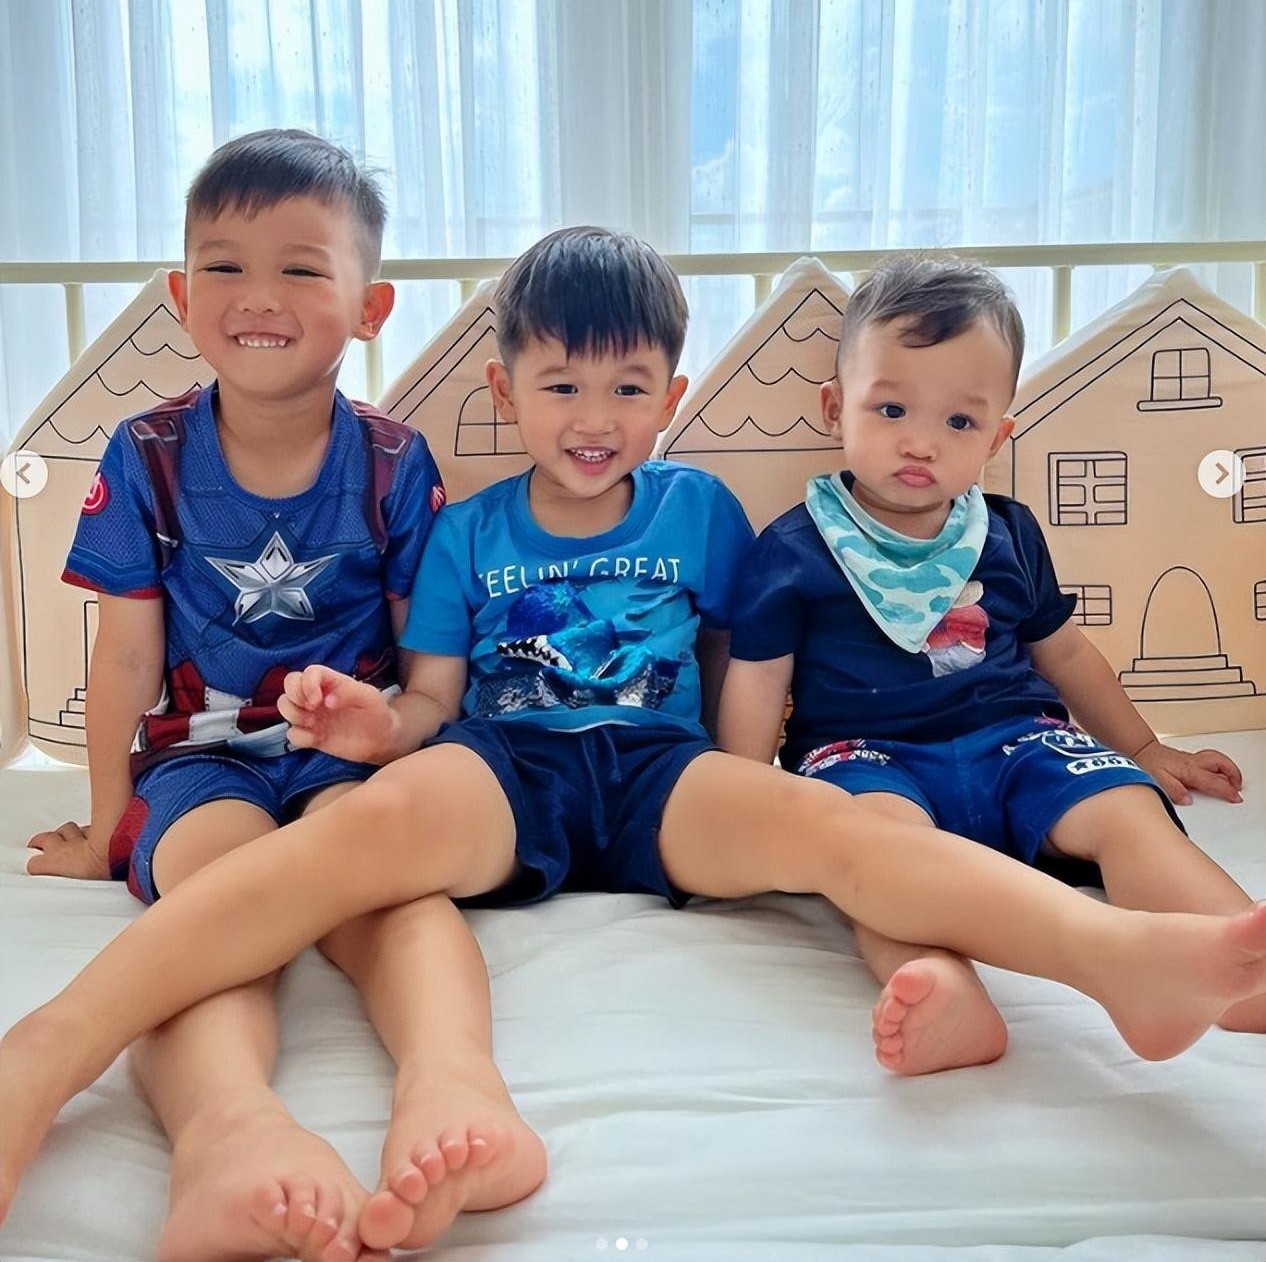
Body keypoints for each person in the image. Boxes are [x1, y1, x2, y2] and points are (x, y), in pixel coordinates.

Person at [3, 228, 1265, 1258]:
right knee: (366, 826)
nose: (594, 418)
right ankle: (54, 1045)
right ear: (505, 392)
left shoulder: (698, 509)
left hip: (659, 770)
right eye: (561, 385)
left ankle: (1114, 958)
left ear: (672, 393)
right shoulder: (471, 530)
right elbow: (432, 702)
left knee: (833, 824)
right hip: (511, 762)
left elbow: (739, 673)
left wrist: (757, 789)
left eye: (626, 388)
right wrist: (379, 727)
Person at [15, 129, 530, 1262]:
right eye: (225, 266)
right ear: (181, 295)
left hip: (349, 755)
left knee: (397, 901)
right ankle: (228, 1134)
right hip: (201, 758)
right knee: (217, 903)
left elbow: (427, 660)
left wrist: (388, 739)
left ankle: (455, 1088)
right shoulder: (148, 454)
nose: (258, 296)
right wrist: (106, 823)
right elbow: (124, 662)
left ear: (370, 307)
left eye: (301, 268)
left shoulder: (393, 463)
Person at [718, 255, 1262, 1078]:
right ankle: (939, 990)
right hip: (870, 758)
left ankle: (1234, 955)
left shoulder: (1006, 533)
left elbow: (1065, 651)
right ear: (835, 408)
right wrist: (742, 796)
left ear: (997, 438)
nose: (920, 441)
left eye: (959, 422)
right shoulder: (794, 549)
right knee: (875, 853)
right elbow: (757, 677)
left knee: (1125, 810)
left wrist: (1145, 748)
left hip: (1017, 739)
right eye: (891, 408)